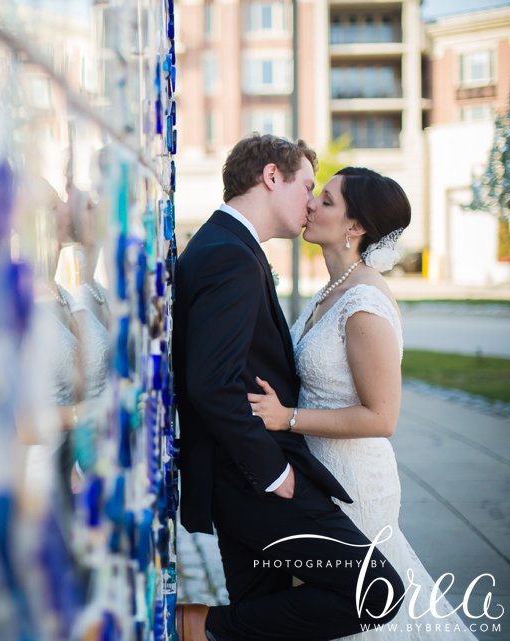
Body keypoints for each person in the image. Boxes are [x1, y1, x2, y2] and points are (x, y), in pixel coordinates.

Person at [172, 135, 404, 641]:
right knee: (377, 590)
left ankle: (206, 628)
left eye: (322, 196)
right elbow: (212, 383)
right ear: (272, 177)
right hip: (254, 478)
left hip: (252, 474)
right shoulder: (229, 255)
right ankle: (197, 625)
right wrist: (273, 470)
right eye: (307, 186)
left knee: (268, 613)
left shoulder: (228, 248)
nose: (310, 202)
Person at [248, 167, 478, 640]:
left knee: (359, 611)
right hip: (320, 477)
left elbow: (382, 416)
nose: (311, 204)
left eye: (326, 201)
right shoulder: (334, 288)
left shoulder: (365, 303)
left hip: (354, 484)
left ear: (356, 227)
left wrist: (286, 419)